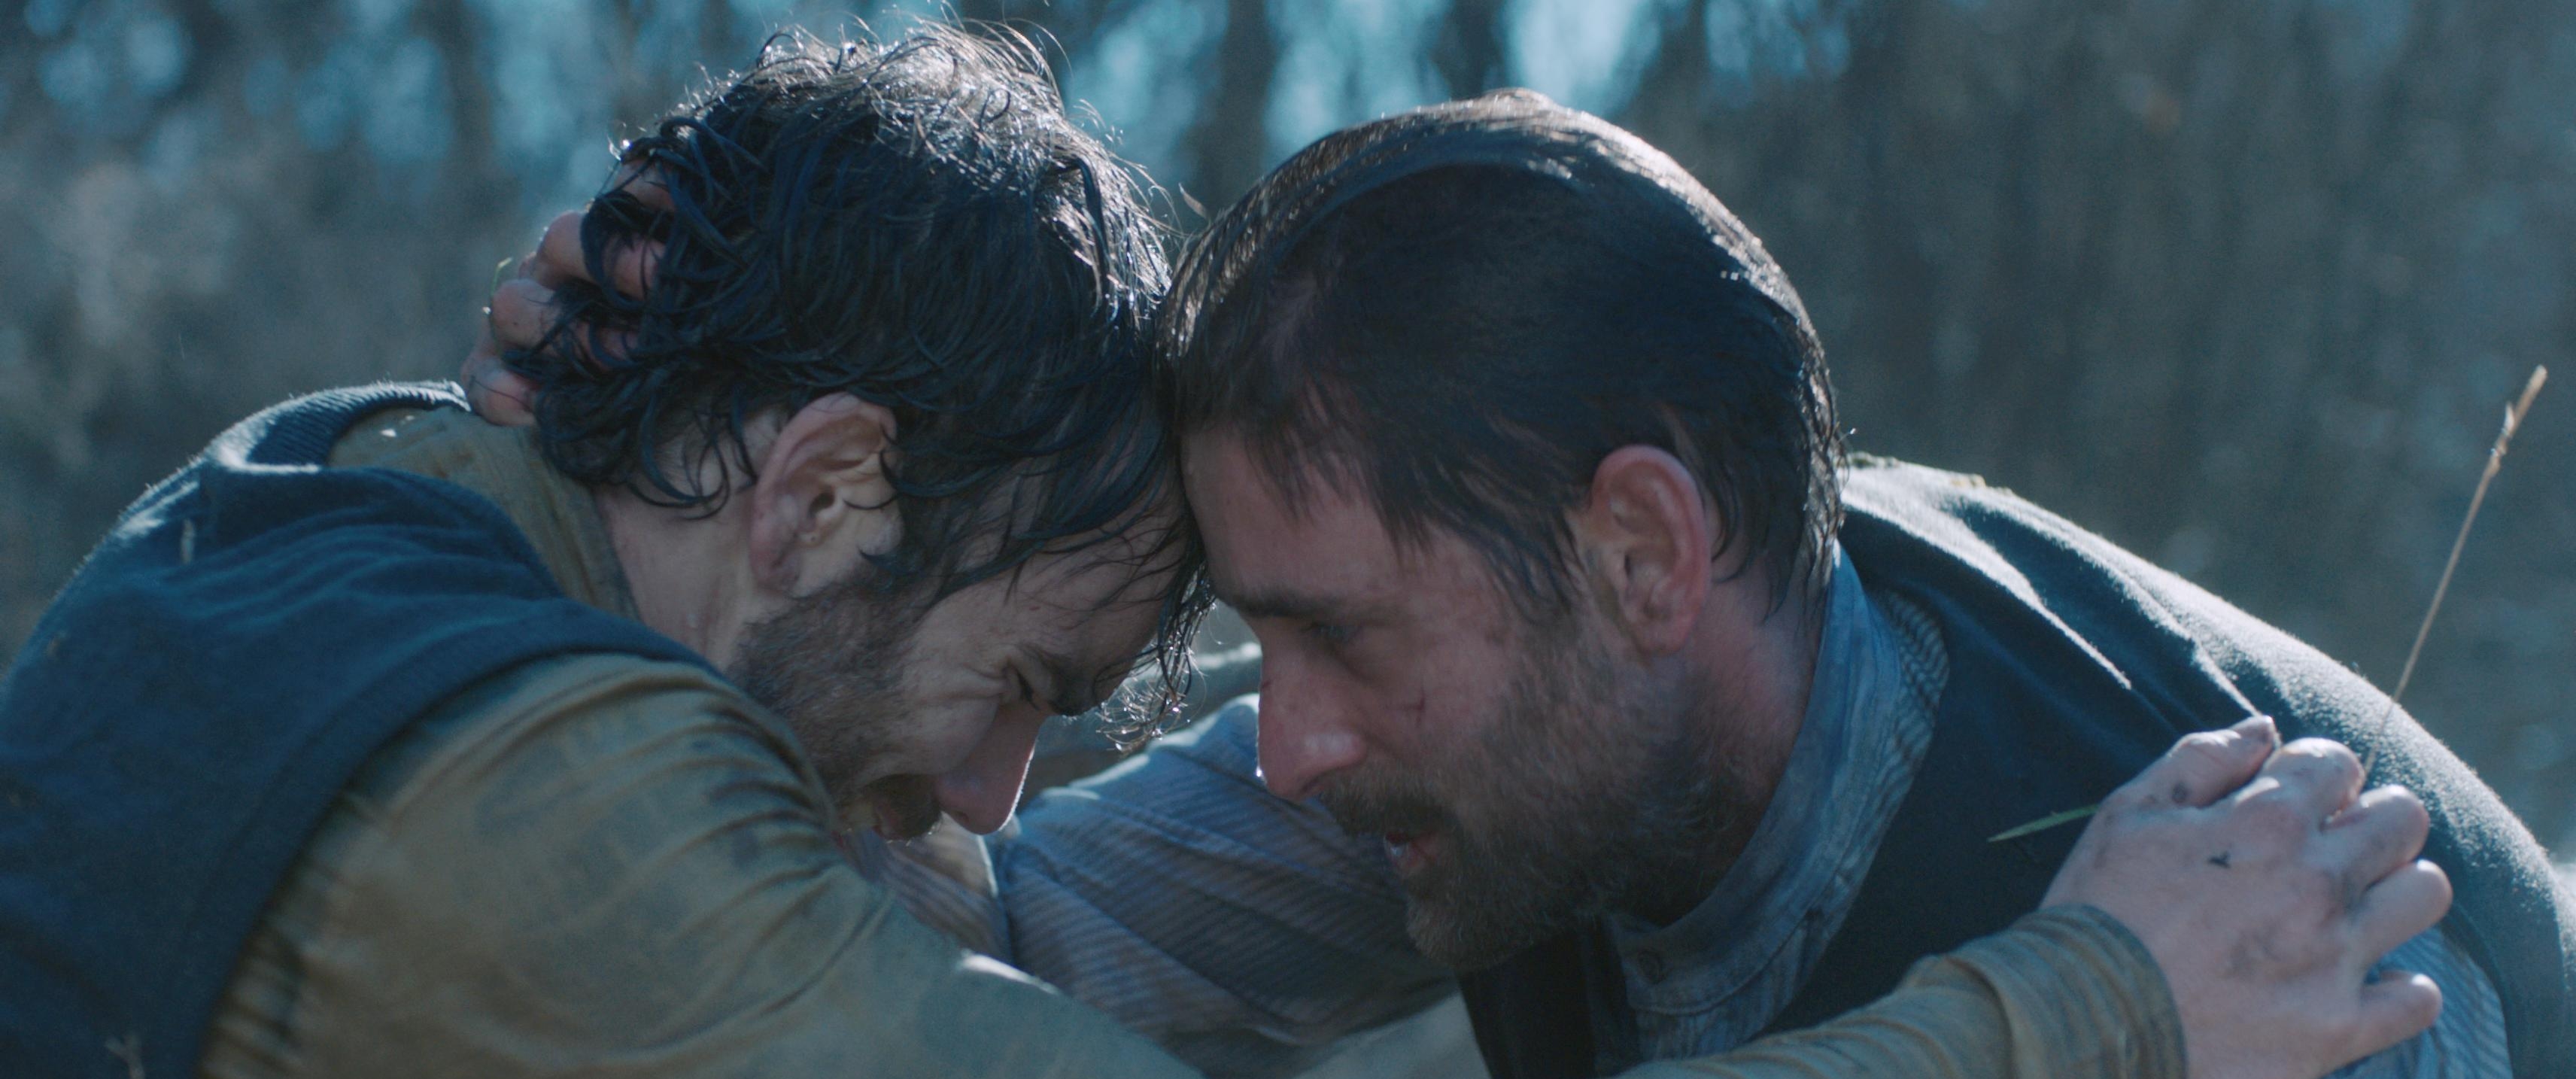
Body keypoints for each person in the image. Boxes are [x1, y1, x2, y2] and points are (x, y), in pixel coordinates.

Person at [451, 50, 2475, 1079]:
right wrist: (667, 520)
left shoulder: (2256, 927)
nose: (1285, 744)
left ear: (1640, 551)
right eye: (1268, 639)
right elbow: (1009, 956)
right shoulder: (1507, 737)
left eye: (1337, 636)